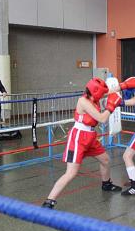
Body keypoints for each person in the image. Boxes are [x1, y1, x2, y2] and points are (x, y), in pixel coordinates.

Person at [41, 77, 125, 209]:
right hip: (78, 137)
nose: (103, 95)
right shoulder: (83, 101)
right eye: (101, 93)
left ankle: (106, 184)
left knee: (105, 160)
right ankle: (49, 201)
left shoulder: (94, 96)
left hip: (90, 136)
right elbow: (102, 119)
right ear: (95, 91)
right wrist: (111, 106)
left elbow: (110, 91)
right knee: (71, 172)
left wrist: (125, 85)